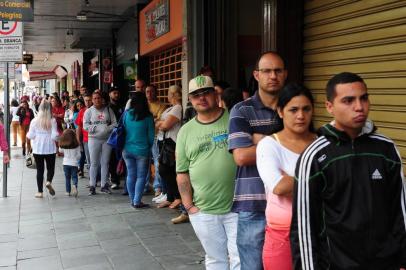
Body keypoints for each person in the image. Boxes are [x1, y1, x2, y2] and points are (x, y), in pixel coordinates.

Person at [290, 72, 406, 270]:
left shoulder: (386, 149)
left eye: (364, 98)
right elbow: (304, 227)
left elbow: (400, 212)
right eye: (348, 100)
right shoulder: (315, 157)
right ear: (329, 107)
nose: (359, 107)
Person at [228, 51, 287, 270]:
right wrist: (285, 143)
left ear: (285, 74)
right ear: (256, 75)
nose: (273, 76)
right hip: (254, 203)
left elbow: (305, 149)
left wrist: (261, 141)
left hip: (288, 203)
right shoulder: (241, 110)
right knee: (252, 266)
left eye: (278, 70)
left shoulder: (293, 109)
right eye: (267, 71)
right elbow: (241, 157)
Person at [176, 75, 240, 269]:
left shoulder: (235, 119)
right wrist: (189, 207)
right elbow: (182, 172)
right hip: (204, 210)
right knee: (215, 259)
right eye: (196, 95)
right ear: (190, 99)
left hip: (239, 206)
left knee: (241, 257)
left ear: (215, 94)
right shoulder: (185, 131)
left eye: (206, 93)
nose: (201, 98)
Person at [256, 83, 316, 270]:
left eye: (306, 109)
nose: (301, 115)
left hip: (319, 231)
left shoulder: (322, 142)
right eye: (293, 110)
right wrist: (323, 177)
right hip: (283, 234)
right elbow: (279, 187)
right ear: (280, 112)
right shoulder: (269, 145)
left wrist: (292, 179)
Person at [122, 92, 154, 208]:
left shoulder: (126, 114)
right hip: (142, 150)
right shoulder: (148, 116)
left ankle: (132, 200)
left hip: (126, 149)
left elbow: (123, 129)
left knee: (131, 175)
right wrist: (148, 147)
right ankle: (137, 201)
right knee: (141, 177)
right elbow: (151, 137)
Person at [84, 91, 117, 195]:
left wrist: (108, 128)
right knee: (94, 163)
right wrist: (93, 128)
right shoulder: (89, 111)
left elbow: (115, 123)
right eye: (95, 98)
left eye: (99, 98)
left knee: (105, 163)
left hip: (107, 139)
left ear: (102, 99)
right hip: (93, 139)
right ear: (92, 100)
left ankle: (104, 185)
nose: (97, 100)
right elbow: (85, 125)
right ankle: (92, 185)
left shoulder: (108, 109)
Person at [155, 85, 183, 208]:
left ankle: (177, 197)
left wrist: (159, 123)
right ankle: (170, 197)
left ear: (173, 94)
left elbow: (165, 125)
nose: (167, 95)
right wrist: (160, 123)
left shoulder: (177, 108)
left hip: (172, 142)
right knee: (165, 170)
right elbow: (157, 123)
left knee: (167, 170)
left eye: (168, 93)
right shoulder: (169, 109)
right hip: (163, 142)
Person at [27, 100, 59, 198]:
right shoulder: (52, 120)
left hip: (38, 148)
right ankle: (48, 181)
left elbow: (31, 135)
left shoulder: (34, 120)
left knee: (40, 170)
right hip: (50, 148)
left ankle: (40, 192)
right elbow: (54, 136)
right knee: (50, 168)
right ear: (50, 108)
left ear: (39, 108)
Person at [145, 85, 167, 198]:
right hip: (143, 137)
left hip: (155, 137)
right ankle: (144, 185)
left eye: (151, 91)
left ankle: (157, 187)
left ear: (156, 92)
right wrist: (152, 119)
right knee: (144, 162)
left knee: (157, 163)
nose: (149, 94)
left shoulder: (161, 105)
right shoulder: (143, 105)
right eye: (147, 92)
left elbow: (159, 121)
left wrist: (151, 120)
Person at [108, 86, 124, 190]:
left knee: (121, 157)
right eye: (114, 93)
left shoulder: (122, 106)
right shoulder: (107, 107)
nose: (116, 95)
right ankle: (114, 179)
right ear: (110, 94)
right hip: (111, 135)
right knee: (112, 158)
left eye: (117, 93)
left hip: (122, 134)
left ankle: (120, 176)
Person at [59, 129, 81, 197]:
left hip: (65, 163)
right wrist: (76, 159)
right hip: (74, 163)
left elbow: (60, 151)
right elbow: (79, 156)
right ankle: (74, 185)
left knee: (67, 178)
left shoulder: (63, 145)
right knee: (74, 177)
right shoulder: (76, 145)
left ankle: (68, 191)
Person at [75, 93, 92, 177]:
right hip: (86, 140)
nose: (88, 102)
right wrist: (79, 141)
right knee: (89, 160)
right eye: (86, 101)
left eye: (89, 100)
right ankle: (92, 179)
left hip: (97, 139)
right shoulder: (82, 111)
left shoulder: (97, 110)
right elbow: (79, 127)